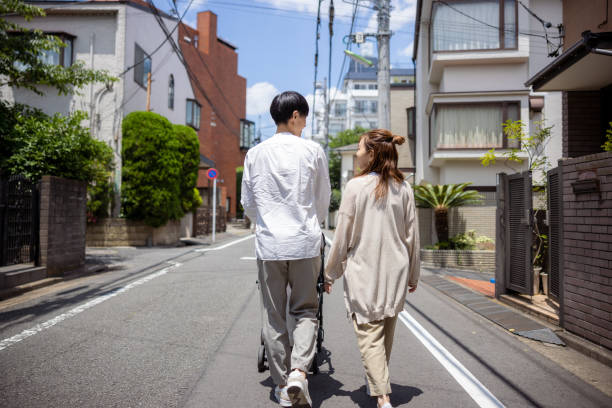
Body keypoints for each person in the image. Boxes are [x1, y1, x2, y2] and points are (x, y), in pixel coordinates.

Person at [241, 91, 331, 408]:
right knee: (306, 310)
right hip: (305, 242)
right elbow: (322, 200)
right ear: (294, 115)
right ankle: (298, 374)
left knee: (274, 316)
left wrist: (265, 221)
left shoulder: (254, 154)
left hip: (269, 245)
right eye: (304, 118)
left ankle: (282, 386)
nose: (305, 124)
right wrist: (310, 221)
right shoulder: (312, 151)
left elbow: (248, 204)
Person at [323, 129, 420, 408]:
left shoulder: (356, 187)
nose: (356, 153)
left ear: (372, 153)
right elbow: (412, 236)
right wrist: (414, 274)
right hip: (396, 271)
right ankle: (378, 384)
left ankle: (382, 396)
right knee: (384, 332)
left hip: (364, 270)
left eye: (360, 148)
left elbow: (342, 235)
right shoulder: (404, 188)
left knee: (369, 334)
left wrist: (330, 273)